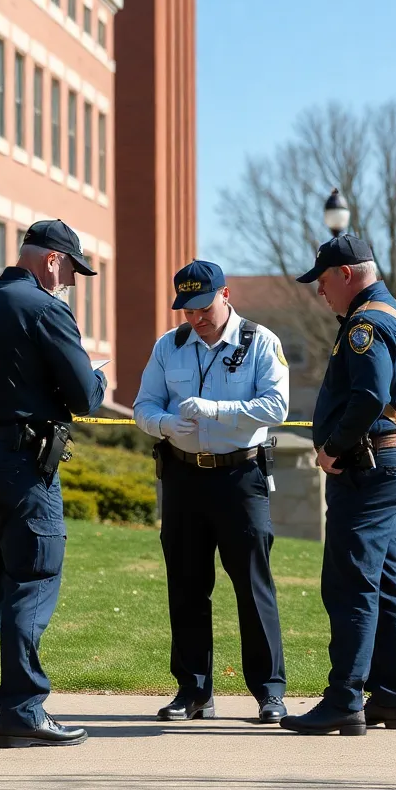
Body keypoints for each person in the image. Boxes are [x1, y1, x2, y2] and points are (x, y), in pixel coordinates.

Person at [0, 219, 106, 748]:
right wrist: (100, 377)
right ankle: (24, 711)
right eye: (72, 270)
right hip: (22, 463)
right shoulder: (46, 309)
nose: (72, 282)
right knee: (32, 577)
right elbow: (83, 398)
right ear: (52, 259)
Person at [133, 260, 289, 725]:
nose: (196, 319)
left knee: (252, 584)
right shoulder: (170, 346)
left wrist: (216, 410)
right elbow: (143, 405)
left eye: (203, 308)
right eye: (187, 311)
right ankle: (193, 690)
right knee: (186, 585)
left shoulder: (260, 341)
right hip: (182, 477)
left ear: (226, 295)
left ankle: (269, 692)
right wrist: (162, 423)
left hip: (240, 477)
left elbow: (276, 406)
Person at [280, 235, 396, 737]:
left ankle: (344, 698)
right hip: (389, 465)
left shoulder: (366, 324)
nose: (320, 292)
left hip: (367, 468)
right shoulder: (395, 312)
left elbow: (368, 396)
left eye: (322, 281)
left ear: (345, 274)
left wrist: (332, 448)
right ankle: (389, 697)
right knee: (383, 582)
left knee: (350, 583)